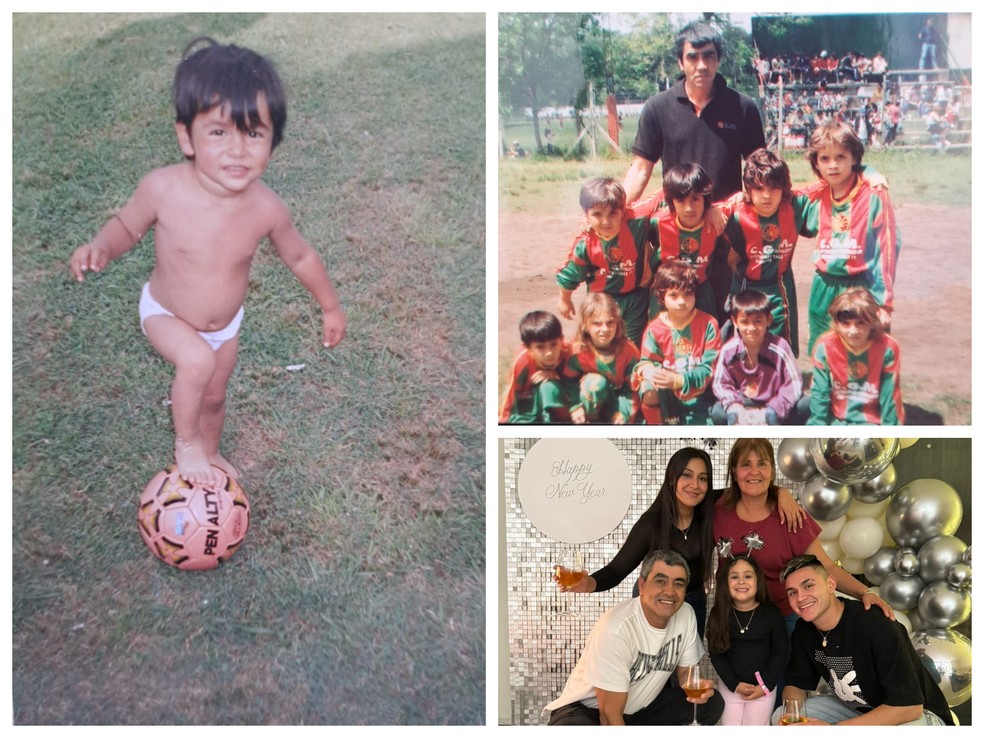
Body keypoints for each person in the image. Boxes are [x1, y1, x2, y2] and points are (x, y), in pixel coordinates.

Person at [69, 37, 347, 490]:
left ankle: (211, 452)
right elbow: (127, 227)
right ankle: (186, 446)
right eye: (219, 132)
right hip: (166, 314)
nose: (237, 150)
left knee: (215, 397)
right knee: (196, 364)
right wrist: (101, 246)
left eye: (253, 133)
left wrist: (330, 307)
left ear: (273, 141)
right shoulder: (163, 189)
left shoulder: (267, 208)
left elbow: (300, 255)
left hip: (226, 325)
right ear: (186, 137)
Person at [559, 447, 805, 638]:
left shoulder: (711, 508)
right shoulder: (652, 523)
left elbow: (748, 488)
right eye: (686, 475)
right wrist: (587, 583)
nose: (694, 485)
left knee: (684, 670)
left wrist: (782, 493)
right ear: (671, 479)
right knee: (650, 667)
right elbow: (616, 570)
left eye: (702, 478)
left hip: (692, 601)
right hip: (652, 601)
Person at [623, 22, 766, 321]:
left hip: (722, 228)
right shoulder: (658, 108)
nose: (701, 65)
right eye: (693, 57)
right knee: (675, 312)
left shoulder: (742, 107)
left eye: (709, 56)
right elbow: (640, 169)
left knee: (723, 315)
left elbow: (758, 173)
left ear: (718, 59)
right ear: (680, 61)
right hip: (677, 227)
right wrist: (613, 208)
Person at [713, 438, 894, 633]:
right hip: (734, 618)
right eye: (745, 464)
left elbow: (826, 566)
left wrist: (863, 592)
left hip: (782, 620)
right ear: (733, 470)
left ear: (772, 471)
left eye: (762, 464)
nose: (754, 472)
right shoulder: (718, 512)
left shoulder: (791, 516)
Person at [545, 550, 724, 725]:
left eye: (678, 584)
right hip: (589, 711)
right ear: (642, 586)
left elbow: (686, 672)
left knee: (711, 703)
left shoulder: (686, 614)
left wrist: (693, 684)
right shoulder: (615, 629)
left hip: (639, 710)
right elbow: (608, 716)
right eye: (660, 581)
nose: (669, 592)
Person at [774, 554, 953, 725]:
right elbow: (796, 685)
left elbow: (910, 708)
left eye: (808, 586)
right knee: (779, 717)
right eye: (792, 593)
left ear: (830, 584)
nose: (801, 598)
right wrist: (792, 717)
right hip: (860, 710)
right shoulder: (804, 630)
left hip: (917, 716)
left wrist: (834, 729)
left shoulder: (876, 625)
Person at [802, 120, 900, 357]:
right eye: (825, 159)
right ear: (816, 162)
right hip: (823, 285)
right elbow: (779, 203)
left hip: (859, 284)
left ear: (854, 157)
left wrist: (883, 301)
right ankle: (823, 393)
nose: (833, 165)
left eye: (841, 157)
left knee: (860, 355)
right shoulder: (815, 194)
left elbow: (886, 246)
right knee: (822, 351)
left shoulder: (873, 194)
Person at [722, 148, 814, 355]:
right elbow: (711, 215)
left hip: (780, 286)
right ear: (748, 189)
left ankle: (781, 382)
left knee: (781, 347)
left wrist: (868, 173)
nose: (766, 196)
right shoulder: (735, 213)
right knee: (744, 346)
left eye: (773, 188)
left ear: (783, 189)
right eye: (759, 188)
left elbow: (826, 185)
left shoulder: (795, 206)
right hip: (747, 286)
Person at [556, 178, 660, 347]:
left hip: (634, 297)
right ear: (586, 215)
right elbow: (569, 274)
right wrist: (565, 300)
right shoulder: (585, 243)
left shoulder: (637, 218)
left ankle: (628, 372)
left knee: (630, 345)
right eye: (597, 214)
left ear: (623, 209)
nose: (605, 221)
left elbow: (663, 194)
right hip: (601, 299)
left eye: (612, 213)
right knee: (600, 345)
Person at [633, 261, 720, 425]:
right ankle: (659, 427)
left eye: (687, 294)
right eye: (673, 295)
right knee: (648, 388)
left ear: (695, 295)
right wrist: (649, 371)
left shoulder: (709, 324)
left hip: (699, 396)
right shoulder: (655, 328)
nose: (681, 301)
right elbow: (646, 362)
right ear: (661, 296)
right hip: (667, 397)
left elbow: (710, 368)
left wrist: (678, 380)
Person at [706, 554, 789, 725]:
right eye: (734, 577)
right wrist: (734, 684)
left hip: (763, 688)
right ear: (725, 582)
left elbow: (780, 652)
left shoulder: (771, 613)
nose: (741, 581)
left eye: (748, 576)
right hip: (731, 687)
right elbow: (716, 654)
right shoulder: (718, 614)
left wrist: (766, 685)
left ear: (758, 580)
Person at [808, 287, 904, 425]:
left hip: (870, 424)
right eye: (846, 324)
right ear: (836, 322)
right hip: (835, 420)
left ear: (872, 322)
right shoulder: (825, 346)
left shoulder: (888, 348)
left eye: (860, 323)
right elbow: (819, 393)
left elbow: (891, 397)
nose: (852, 331)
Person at [711, 290, 805, 426]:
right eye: (745, 322)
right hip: (743, 402)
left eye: (758, 321)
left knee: (805, 404)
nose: (752, 328)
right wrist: (734, 405)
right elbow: (720, 383)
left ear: (769, 320)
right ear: (735, 322)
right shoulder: (729, 350)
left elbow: (794, 382)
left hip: (773, 400)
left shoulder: (780, 347)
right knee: (718, 412)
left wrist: (776, 408)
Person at [648, 163, 720, 318]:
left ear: (705, 199)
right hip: (667, 292)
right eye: (681, 201)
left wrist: (714, 209)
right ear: (671, 201)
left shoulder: (717, 221)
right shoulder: (658, 222)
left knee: (705, 334)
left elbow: (742, 204)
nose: (689, 208)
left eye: (695, 199)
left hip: (700, 290)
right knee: (662, 333)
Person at [565, 293, 639, 425]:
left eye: (610, 322)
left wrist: (623, 412)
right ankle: (591, 422)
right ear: (585, 326)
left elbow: (631, 389)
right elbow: (567, 382)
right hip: (589, 401)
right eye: (597, 323)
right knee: (596, 384)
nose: (604, 329)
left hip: (618, 400)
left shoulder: (629, 351)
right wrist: (574, 406)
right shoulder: (577, 352)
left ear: (618, 323)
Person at [499, 310, 573, 424]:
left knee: (548, 388)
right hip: (531, 403)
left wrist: (555, 376)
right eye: (540, 347)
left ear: (562, 340)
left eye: (553, 344)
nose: (549, 353)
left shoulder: (570, 353)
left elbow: (577, 386)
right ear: (528, 348)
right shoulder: (522, 362)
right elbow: (510, 396)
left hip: (564, 404)